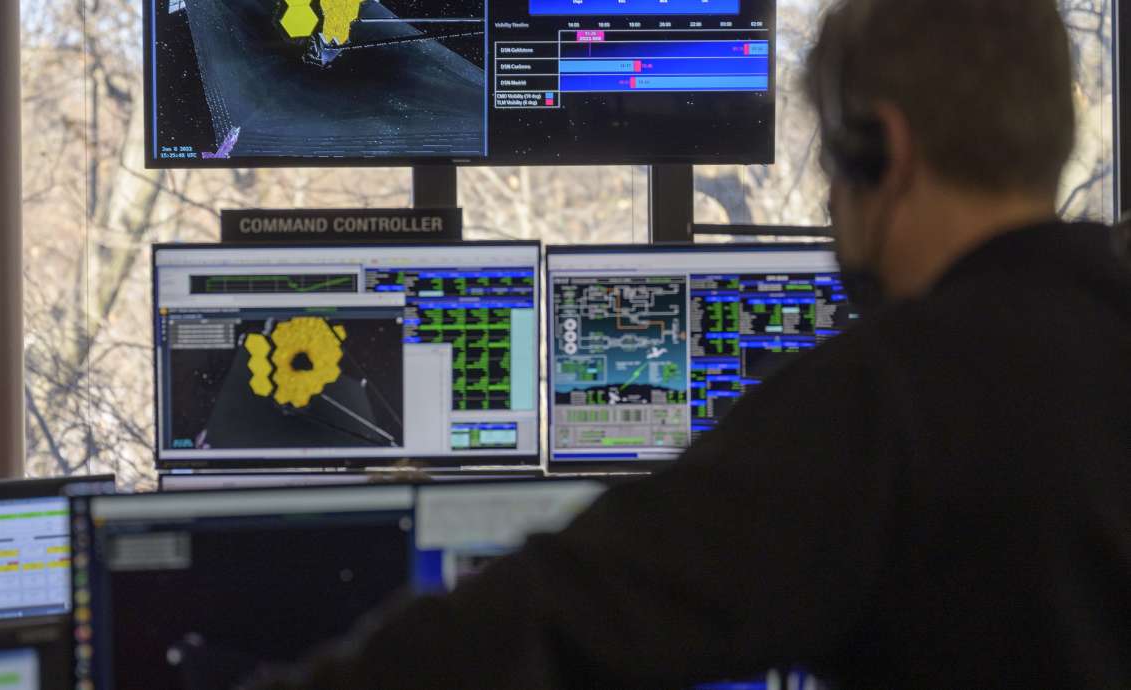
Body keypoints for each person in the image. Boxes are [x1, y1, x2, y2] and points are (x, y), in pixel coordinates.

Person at [252, 0, 1131, 687]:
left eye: (832, 163)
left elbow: (563, 616)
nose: (831, 202)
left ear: (884, 151)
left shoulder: (888, 401)